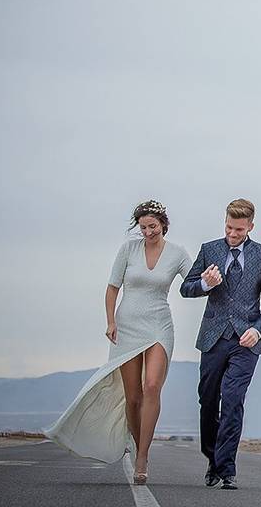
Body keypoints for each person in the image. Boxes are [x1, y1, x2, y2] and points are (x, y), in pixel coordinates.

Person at [45, 200, 192, 485]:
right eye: (143, 227)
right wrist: (110, 321)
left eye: (153, 226)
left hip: (160, 326)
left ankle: (142, 457)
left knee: (152, 387)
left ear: (163, 223)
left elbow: (192, 283)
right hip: (127, 327)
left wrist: (210, 281)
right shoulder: (128, 249)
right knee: (133, 396)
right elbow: (113, 288)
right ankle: (137, 442)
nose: (148, 232)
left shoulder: (178, 253)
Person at [181, 198, 261, 490]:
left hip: (245, 341)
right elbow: (186, 288)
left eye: (238, 229)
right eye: (228, 227)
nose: (232, 234)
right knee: (209, 401)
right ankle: (212, 459)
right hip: (213, 338)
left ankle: (227, 469)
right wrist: (205, 284)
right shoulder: (208, 250)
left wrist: (258, 329)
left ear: (250, 226)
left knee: (233, 401)